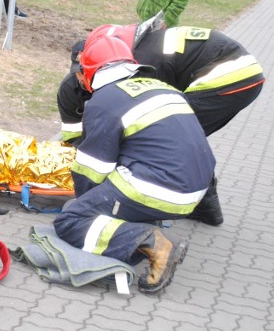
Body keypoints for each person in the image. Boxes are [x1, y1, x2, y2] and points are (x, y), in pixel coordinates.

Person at [57, 16, 265, 225]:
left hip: (228, 75)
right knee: (172, 134)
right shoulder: (79, 83)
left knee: (168, 131)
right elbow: (72, 133)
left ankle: (180, 200)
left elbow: (144, 112)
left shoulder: (141, 63)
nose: (82, 81)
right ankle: (198, 202)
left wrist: (97, 191)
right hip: (238, 69)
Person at [53, 34, 215, 294]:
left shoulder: (105, 101)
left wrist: (85, 206)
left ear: (92, 72)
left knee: (70, 220)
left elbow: (92, 170)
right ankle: (141, 224)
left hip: (161, 188)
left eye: (82, 72)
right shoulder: (163, 87)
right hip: (197, 188)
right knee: (113, 194)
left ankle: (154, 244)